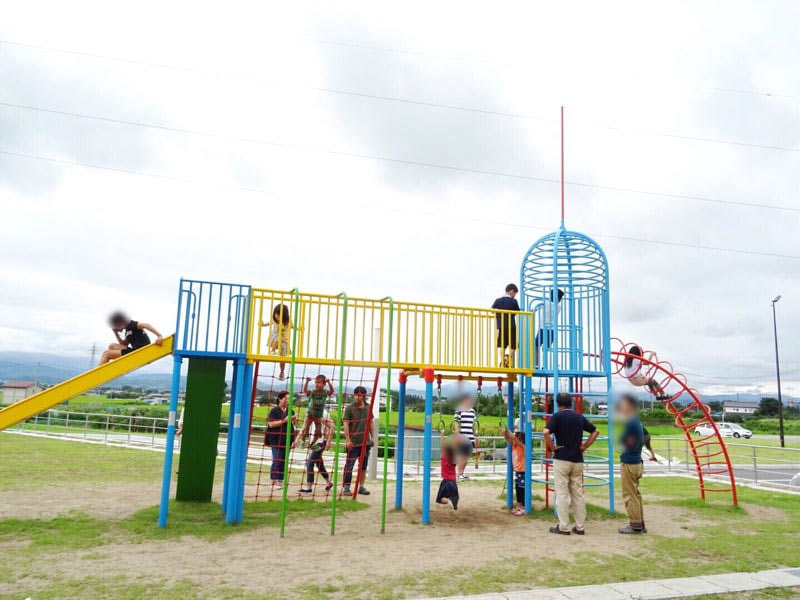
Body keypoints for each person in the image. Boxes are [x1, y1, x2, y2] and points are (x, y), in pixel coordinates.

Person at [542, 392, 599, 535]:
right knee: (577, 494)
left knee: (562, 493)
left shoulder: (557, 417)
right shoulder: (579, 417)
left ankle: (564, 527)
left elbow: (545, 432)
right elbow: (596, 431)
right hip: (577, 459)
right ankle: (580, 527)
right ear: (571, 403)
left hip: (561, 458)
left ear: (558, 403)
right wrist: (585, 446)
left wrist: (552, 447)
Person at [617, 393, 649, 534]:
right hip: (637, 461)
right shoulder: (637, 422)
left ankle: (635, 525)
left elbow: (626, 442)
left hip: (629, 462)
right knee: (635, 494)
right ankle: (640, 523)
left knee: (629, 495)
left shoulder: (631, 423)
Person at [342, 385, 373, 495]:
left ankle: (361, 486)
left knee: (363, 465)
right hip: (353, 442)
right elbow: (345, 423)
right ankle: (346, 487)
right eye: (356, 395)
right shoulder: (349, 408)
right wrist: (348, 440)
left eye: (360, 395)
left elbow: (370, 423)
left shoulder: (368, 407)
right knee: (349, 465)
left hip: (365, 442)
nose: (357, 397)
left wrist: (372, 437)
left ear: (364, 396)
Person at [299, 407, 334, 496]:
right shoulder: (309, 412)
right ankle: (329, 482)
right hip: (313, 442)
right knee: (319, 463)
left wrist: (328, 441)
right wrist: (297, 440)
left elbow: (332, 427)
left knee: (310, 462)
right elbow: (304, 427)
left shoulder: (323, 413)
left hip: (321, 442)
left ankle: (309, 486)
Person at [264, 391, 297, 482]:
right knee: (277, 459)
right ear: (280, 399)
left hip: (288, 439)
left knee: (284, 461)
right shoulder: (274, 411)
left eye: (289, 399)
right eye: (286, 398)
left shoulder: (291, 411)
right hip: (276, 439)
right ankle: (273, 479)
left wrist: (294, 421)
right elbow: (271, 424)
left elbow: (293, 426)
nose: (288, 400)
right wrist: (284, 420)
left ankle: (280, 480)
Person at [299, 375, 334, 448]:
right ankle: (302, 441)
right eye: (315, 382)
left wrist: (329, 383)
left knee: (319, 433)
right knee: (306, 429)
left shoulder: (325, 392)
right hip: (310, 413)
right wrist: (307, 382)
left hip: (318, 415)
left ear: (324, 384)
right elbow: (305, 391)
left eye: (319, 382)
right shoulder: (313, 392)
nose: (316, 384)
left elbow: (331, 391)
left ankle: (312, 444)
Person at [491, 283, 520, 367]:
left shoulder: (498, 300)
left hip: (501, 326)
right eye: (515, 293)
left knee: (502, 345)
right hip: (511, 325)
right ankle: (507, 360)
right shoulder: (513, 301)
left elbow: (491, 310)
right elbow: (517, 312)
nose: (514, 296)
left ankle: (502, 360)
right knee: (513, 345)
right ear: (511, 291)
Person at [261, 304, 292, 380]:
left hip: (284, 339)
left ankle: (282, 372)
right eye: (275, 314)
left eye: (278, 314)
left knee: (283, 357)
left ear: (284, 315)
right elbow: (268, 323)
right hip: (275, 336)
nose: (276, 316)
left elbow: (292, 326)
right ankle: (272, 350)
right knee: (278, 338)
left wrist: (298, 328)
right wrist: (262, 324)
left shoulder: (288, 321)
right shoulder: (274, 320)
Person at [534, 289, 564, 364]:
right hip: (552, 330)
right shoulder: (559, 307)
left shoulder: (545, 303)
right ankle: (545, 365)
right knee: (545, 348)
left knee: (536, 345)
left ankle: (536, 364)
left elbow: (536, 308)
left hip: (543, 328)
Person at [502, 426, 526, 516]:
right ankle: (519, 506)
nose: (515, 439)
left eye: (518, 437)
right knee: (518, 489)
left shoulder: (523, 447)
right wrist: (504, 433)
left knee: (522, 489)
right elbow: (509, 439)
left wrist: (508, 430)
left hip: (523, 471)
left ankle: (523, 507)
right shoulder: (515, 446)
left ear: (521, 440)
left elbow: (513, 438)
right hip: (518, 471)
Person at [454, 393, 477, 481]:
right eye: (469, 400)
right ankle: (459, 474)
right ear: (464, 400)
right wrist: (457, 435)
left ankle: (462, 473)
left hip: (471, 437)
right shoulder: (459, 409)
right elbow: (456, 422)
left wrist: (476, 432)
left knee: (467, 456)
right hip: (462, 437)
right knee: (462, 456)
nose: (470, 401)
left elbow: (474, 423)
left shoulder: (472, 411)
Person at [436, 434, 459, 510]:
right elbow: (456, 447)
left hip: (446, 482)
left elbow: (442, 446)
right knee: (454, 502)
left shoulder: (444, 458)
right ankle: (452, 501)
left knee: (440, 499)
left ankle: (449, 501)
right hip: (453, 483)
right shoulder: (454, 459)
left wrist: (442, 435)